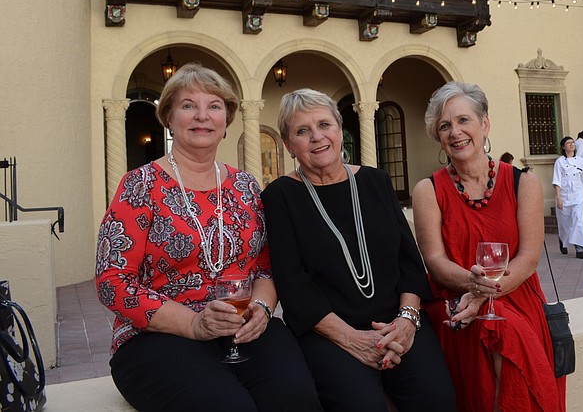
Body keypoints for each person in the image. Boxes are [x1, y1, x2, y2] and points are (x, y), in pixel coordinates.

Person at [95, 63, 321, 412]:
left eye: (214, 106)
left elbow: (265, 264)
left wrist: (261, 307)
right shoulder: (139, 185)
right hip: (157, 337)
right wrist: (194, 324)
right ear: (168, 117)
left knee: (296, 399)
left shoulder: (245, 186)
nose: (202, 116)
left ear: (226, 122)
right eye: (188, 105)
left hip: (240, 325)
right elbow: (113, 281)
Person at [262, 88, 456, 412]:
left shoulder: (376, 181)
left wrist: (407, 321)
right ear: (288, 145)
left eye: (325, 125)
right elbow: (293, 285)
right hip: (329, 333)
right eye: (302, 131)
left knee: (437, 397)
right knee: (362, 405)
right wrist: (352, 339)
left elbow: (409, 262)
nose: (317, 137)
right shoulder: (279, 197)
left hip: (398, 322)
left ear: (339, 130)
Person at [412, 82, 566, 412]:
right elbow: (435, 261)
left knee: (504, 328)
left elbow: (529, 257)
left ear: (484, 124)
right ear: (438, 137)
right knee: (497, 328)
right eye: (445, 126)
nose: (455, 132)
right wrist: (472, 287)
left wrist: (483, 294)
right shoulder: (428, 190)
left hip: (516, 293)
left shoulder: (523, 182)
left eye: (463, 120)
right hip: (453, 300)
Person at [552, 136, 583, 258]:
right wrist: (558, 198)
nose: (571, 145)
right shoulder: (560, 162)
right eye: (568, 143)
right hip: (564, 194)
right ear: (563, 147)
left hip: (578, 194)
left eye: (572, 142)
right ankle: (563, 240)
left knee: (578, 221)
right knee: (565, 223)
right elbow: (557, 180)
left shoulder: (581, 160)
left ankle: (579, 249)